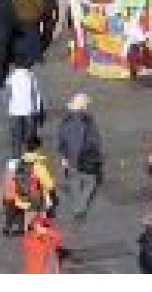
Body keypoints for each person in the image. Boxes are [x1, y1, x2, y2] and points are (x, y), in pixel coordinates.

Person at [56, 92, 103, 220]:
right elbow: (94, 141)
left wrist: (64, 157)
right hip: (86, 159)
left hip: (70, 160)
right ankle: (80, 207)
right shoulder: (88, 122)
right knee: (91, 182)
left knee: (74, 181)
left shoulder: (65, 121)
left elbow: (62, 140)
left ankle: (77, 205)